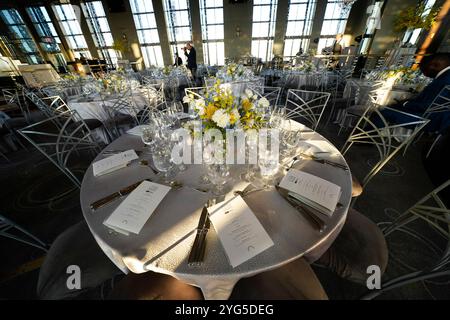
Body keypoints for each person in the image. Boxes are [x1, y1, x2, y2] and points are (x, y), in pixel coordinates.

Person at [377, 53, 450, 133]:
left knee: (382, 111)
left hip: (428, 120)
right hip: (438, 119)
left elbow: (429, 105)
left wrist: (406, 104)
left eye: (424, 69)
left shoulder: (444, 80)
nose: (424, 74)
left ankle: (367, 139)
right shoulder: (445, 76)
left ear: (434, 65)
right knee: (392, 106)